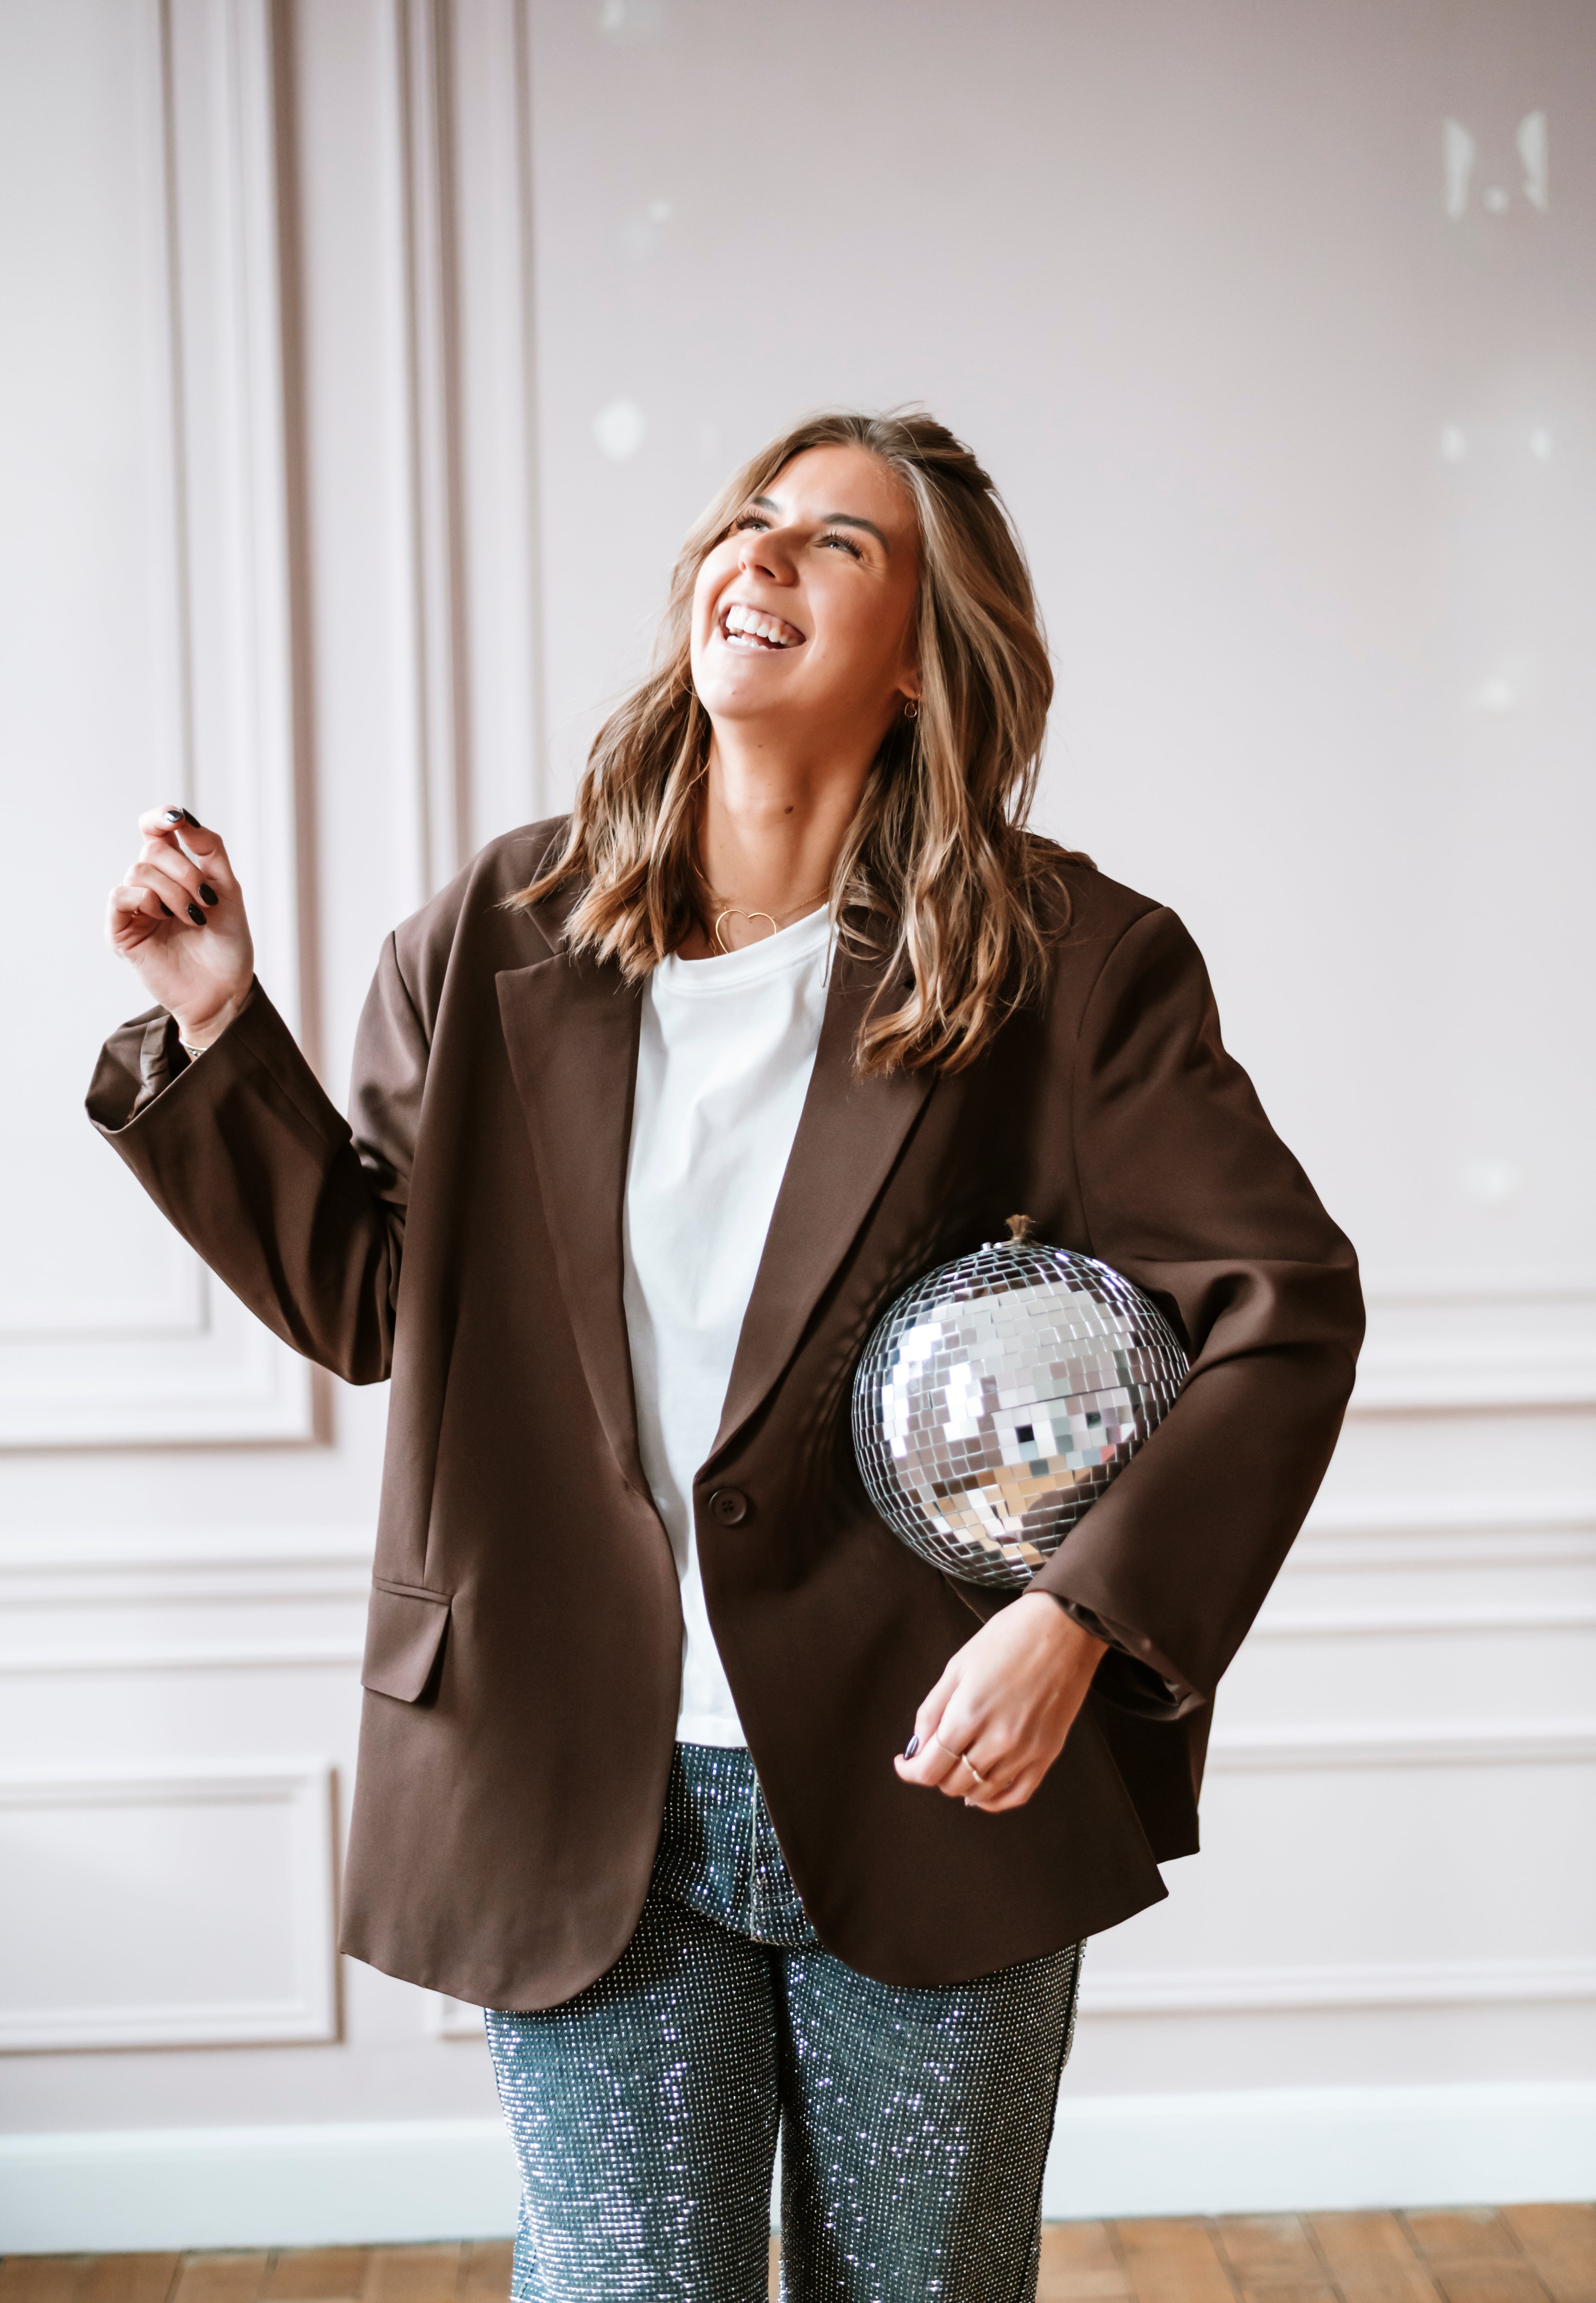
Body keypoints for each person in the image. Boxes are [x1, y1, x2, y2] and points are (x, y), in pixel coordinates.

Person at [92, 410, 1362, 2303]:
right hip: (573, 1767)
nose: (759, 557)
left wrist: (1077, 1621)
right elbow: (377, 1303)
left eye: (837, 543)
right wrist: (216, 1025)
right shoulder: (499, 929)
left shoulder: (1067, 959)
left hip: (940, 1768)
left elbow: (1281, 1311)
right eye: (749, 522)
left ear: (924, 653)